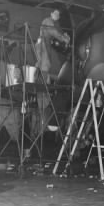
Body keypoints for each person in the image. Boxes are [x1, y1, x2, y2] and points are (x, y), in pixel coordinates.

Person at [31, 8, 70, 138]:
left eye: (59, 14)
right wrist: (64, 38)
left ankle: (44, 89)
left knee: (45, 69)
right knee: (45, 67)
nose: (58, 16)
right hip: (43, 51)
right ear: (51, 14)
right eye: (56, 13)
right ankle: (44, 90)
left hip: (44, 50)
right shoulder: (48, 22)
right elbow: (54, 32)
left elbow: (56, 31)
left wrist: (64, 36)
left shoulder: (53, 24)